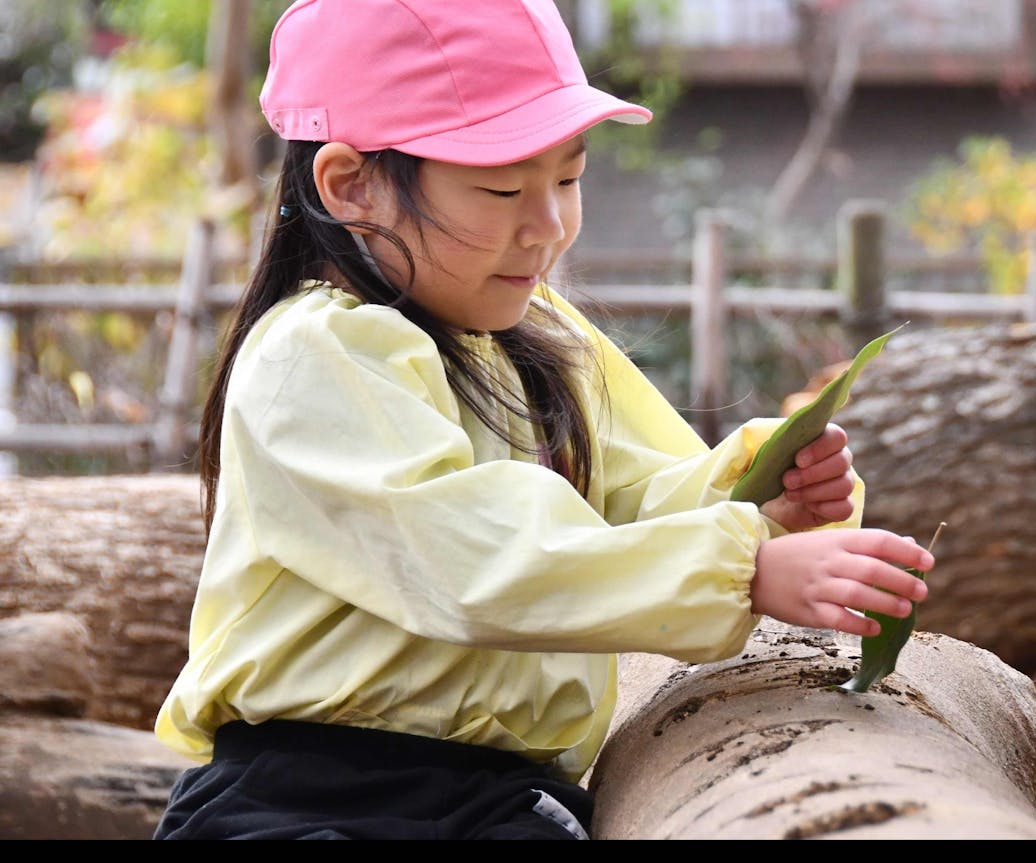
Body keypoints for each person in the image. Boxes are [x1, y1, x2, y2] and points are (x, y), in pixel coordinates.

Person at [152, 0, 932, 841]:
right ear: (350, 185)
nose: (549, 226)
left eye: (568, 179)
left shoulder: (539, 338)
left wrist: (761, 498)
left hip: (504, 798)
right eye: (502, 189)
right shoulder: (316, 352)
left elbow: (636, 500)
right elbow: (473, 558)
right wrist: (742, 568)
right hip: (307, 796)